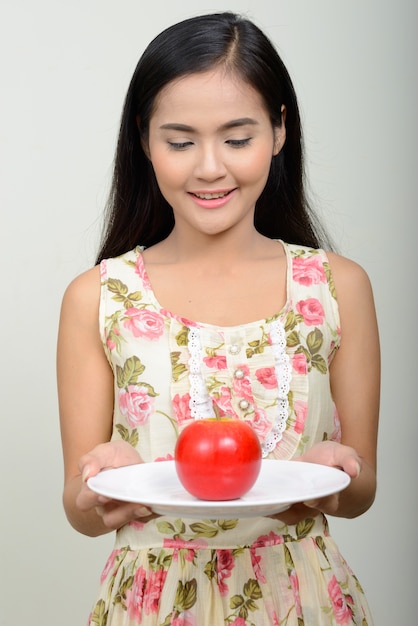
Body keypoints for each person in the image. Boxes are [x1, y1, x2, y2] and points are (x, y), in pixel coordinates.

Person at [57, 11, 380, 626]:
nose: (210, 167)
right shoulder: (97, 298)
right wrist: (97, 486)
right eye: (180, 141)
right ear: (144, 140)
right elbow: (78, 508)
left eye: (238, 138)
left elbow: (361, 492)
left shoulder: (339, 286)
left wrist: (339, 473)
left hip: (302, 596)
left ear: (279, 131)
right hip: (151, 600)